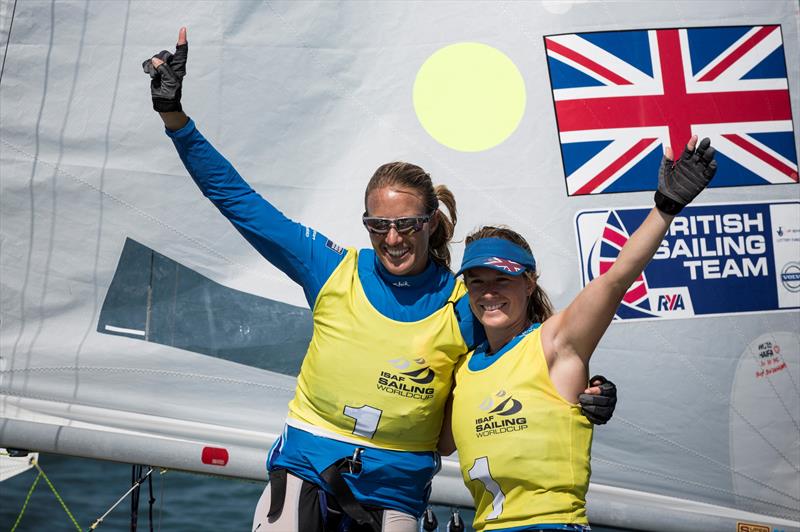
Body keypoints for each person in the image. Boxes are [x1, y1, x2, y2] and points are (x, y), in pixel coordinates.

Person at [143, 28, 618, 531]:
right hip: (308, 468)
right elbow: (238, 200)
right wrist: (174, 116)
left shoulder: (466, 300)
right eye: (378, 226)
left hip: (397, 491)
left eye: (407, 225)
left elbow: (539, 351)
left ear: (431, 222)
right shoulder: (329, 268)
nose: (393, 239)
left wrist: (592, 391)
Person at [438, 135, 717, 531]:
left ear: (529, 284)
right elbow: (436, 442)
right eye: (477, 281)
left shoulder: (554, 342)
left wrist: (665, 208)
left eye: (503, 279)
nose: (489, 292)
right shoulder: (463, 370)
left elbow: (616, 280)